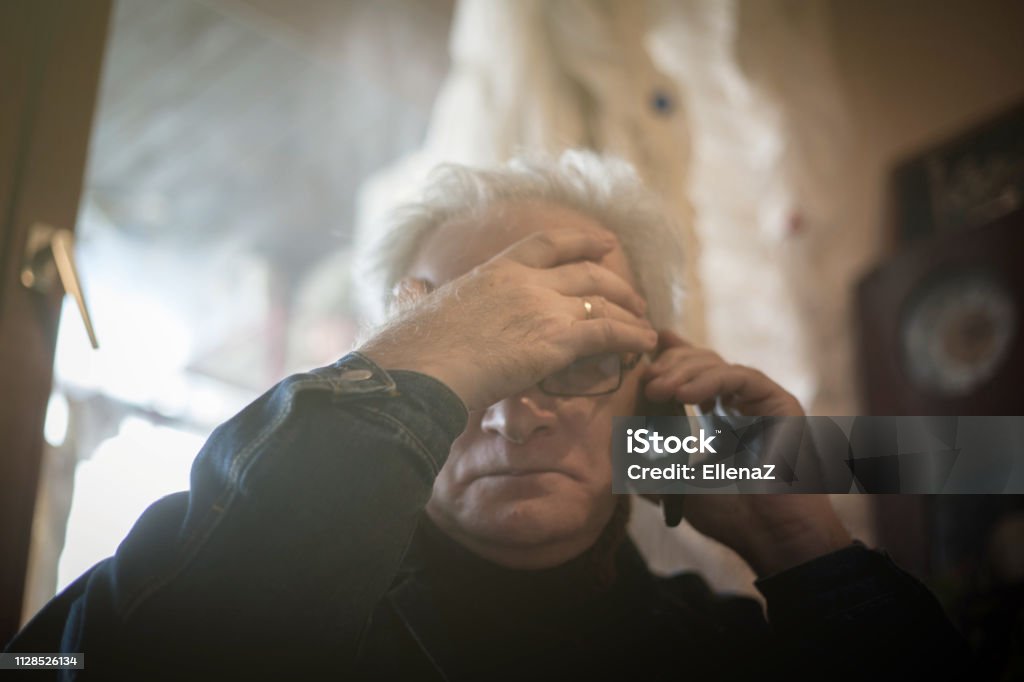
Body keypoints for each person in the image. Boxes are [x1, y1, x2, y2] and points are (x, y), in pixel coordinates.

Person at [7, 152, 967, 680]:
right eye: (471, 359)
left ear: (658, 382)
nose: (515, 418)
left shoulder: (719, 655)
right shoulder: (245, 594)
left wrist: (808, 553)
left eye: (582, 359)